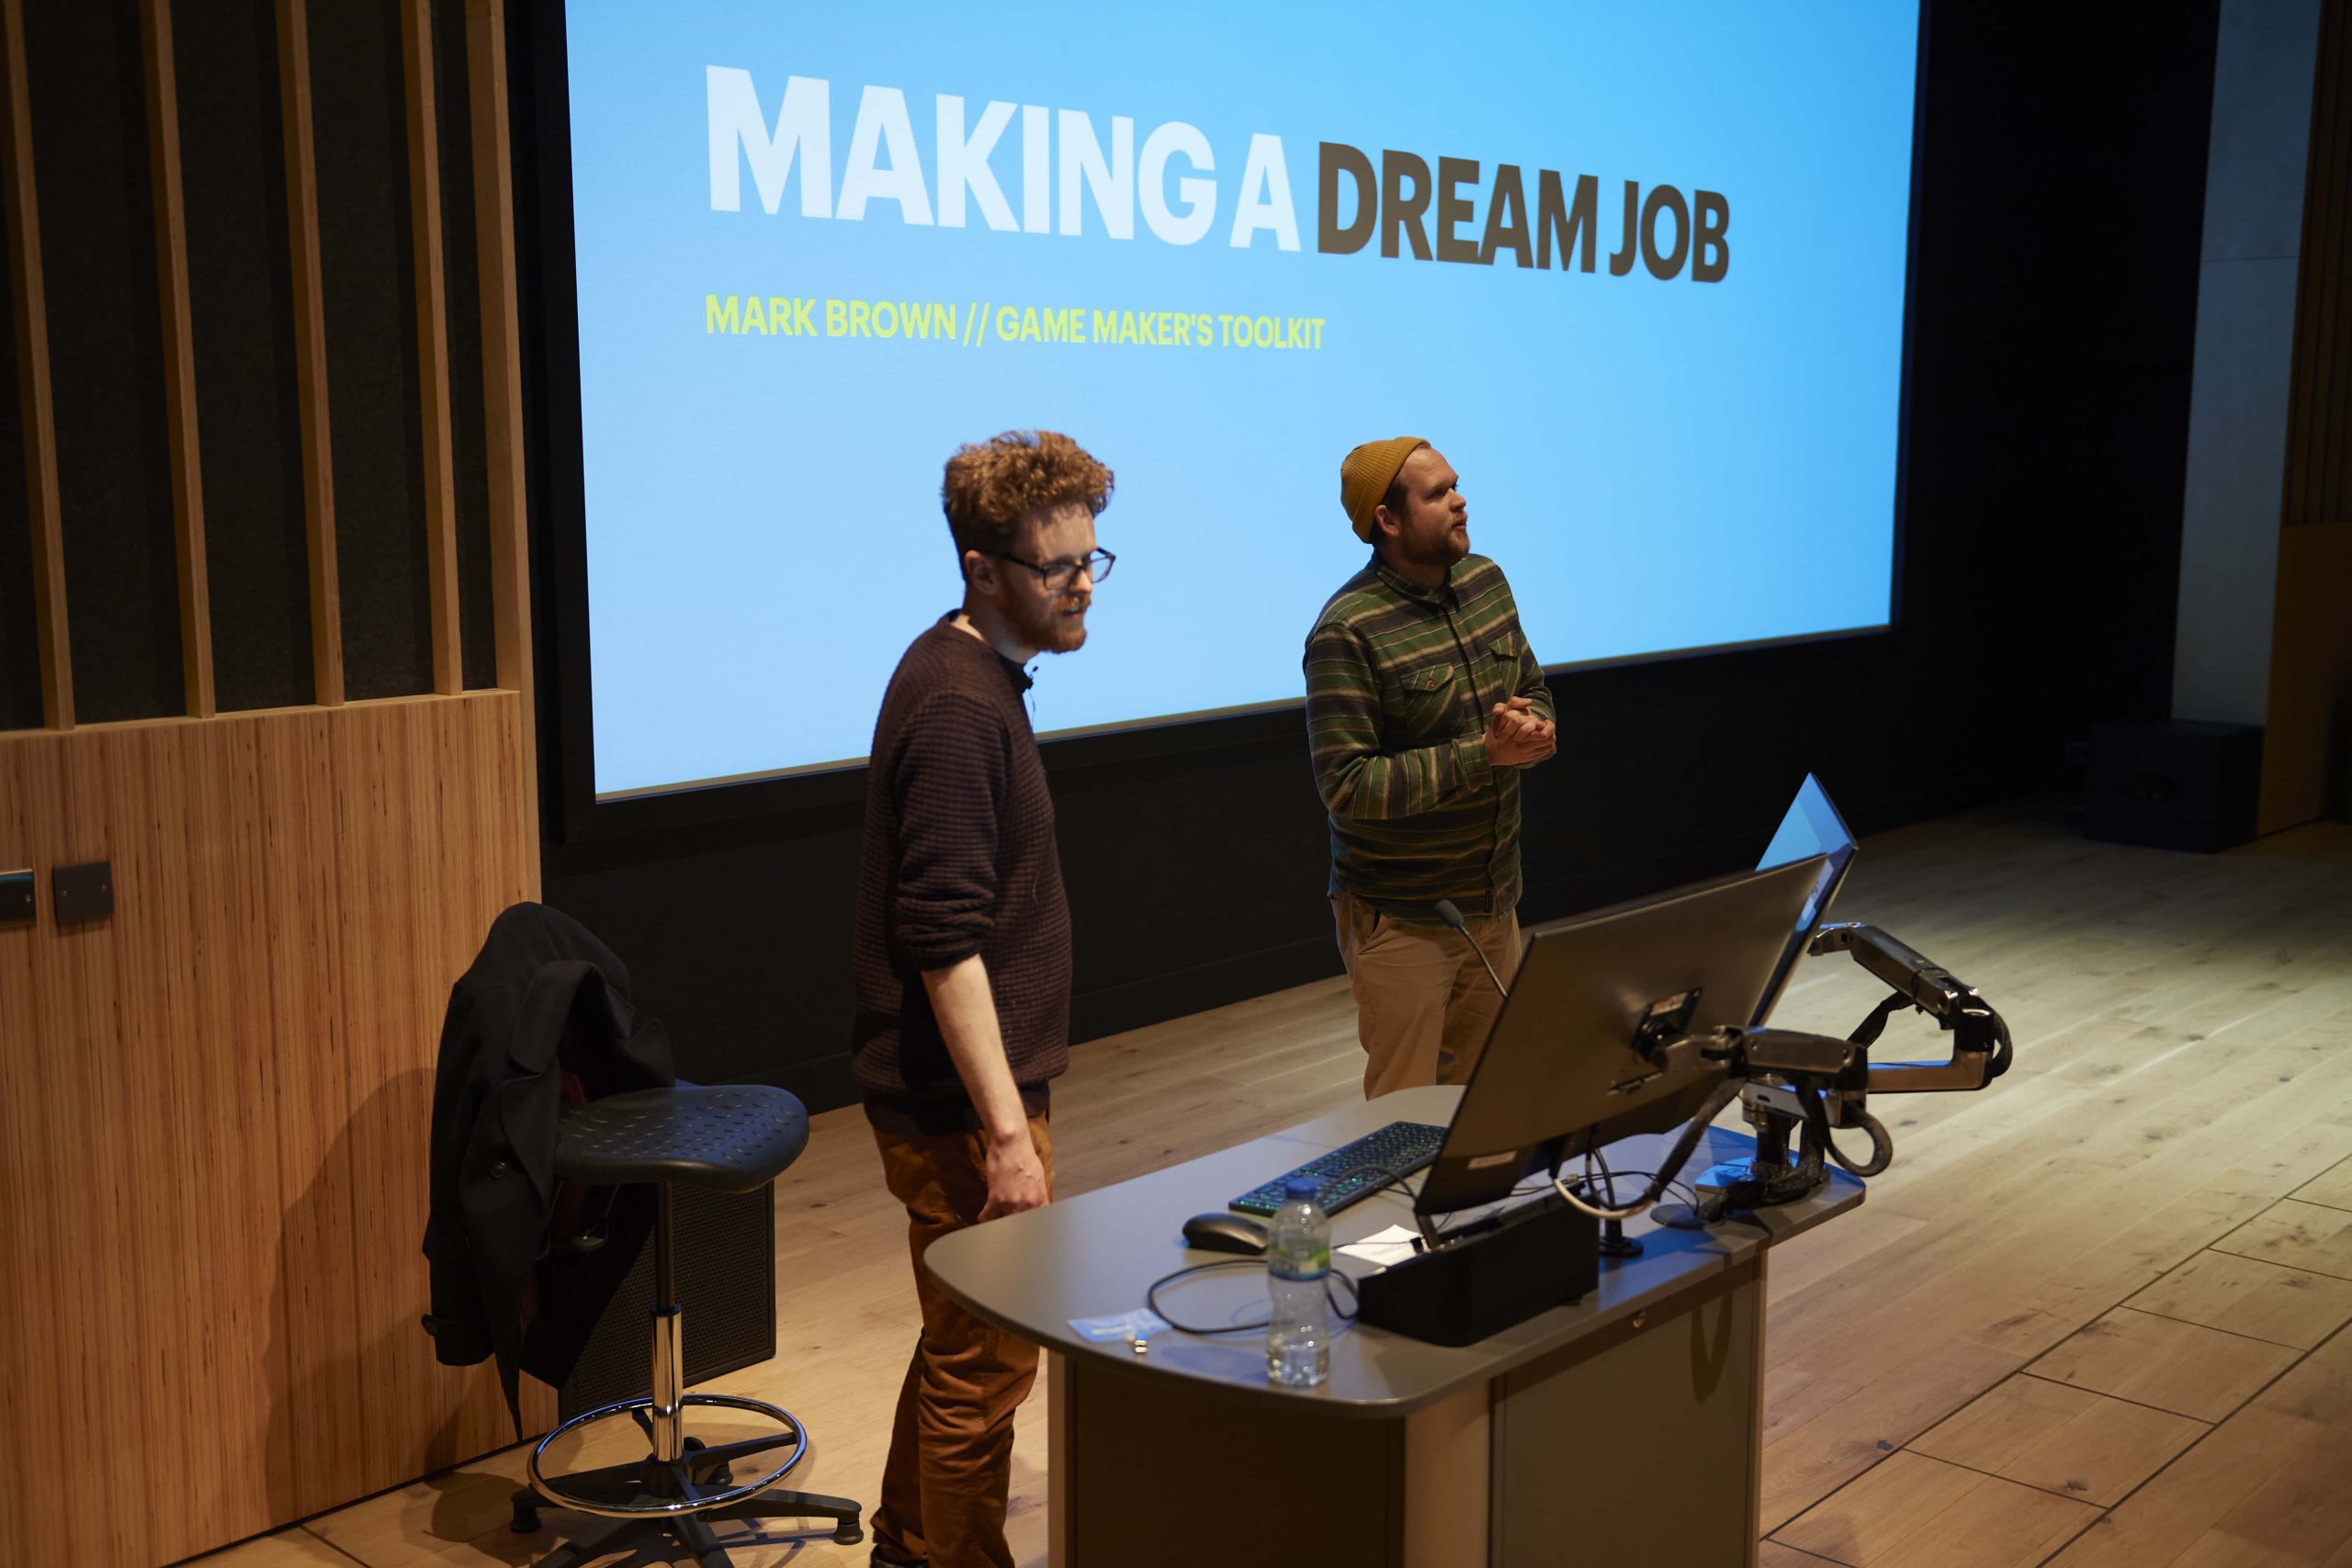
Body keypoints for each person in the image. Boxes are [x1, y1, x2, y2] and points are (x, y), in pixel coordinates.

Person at [850, 429, 1114, 1568]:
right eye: (1059, 569)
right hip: (962, 1104)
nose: (1082, 587)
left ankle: (909, 1543)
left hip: (965, 1093)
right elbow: (943, 945)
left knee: (961, 1337)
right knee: (989, 1364)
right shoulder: (960, 710)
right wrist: (1007, 1136)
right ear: (981, 570)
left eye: (1093, 561)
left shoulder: (962, 668)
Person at [1304, 436, 1556, 1099]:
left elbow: (1532, 680)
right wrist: (1485, 753)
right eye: (1438, 493)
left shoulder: (1486, 580)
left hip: (1494, 898)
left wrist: (1535, 725)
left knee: (1489, 1098)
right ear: (1387, 520)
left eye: (1456, 484)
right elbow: (1347, 786)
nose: (1460, 499)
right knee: (1405, 1115)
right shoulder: (1347, 630)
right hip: (1406, 916)